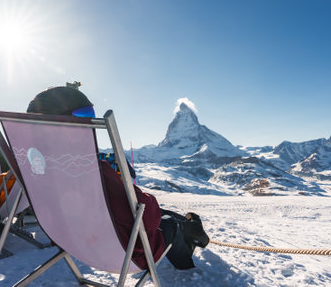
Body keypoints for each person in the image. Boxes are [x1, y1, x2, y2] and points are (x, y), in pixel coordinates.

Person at [27, 82, 209, 270]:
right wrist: (148, 201)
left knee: (163, 216)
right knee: (168, 223)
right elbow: (148, 219)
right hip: (122, 254)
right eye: (84, 115)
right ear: (59, 124)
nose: (90, 122)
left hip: (76, 245)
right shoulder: (90, 170)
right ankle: (191, 241)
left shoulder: (34, 169)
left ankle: (190, 228)